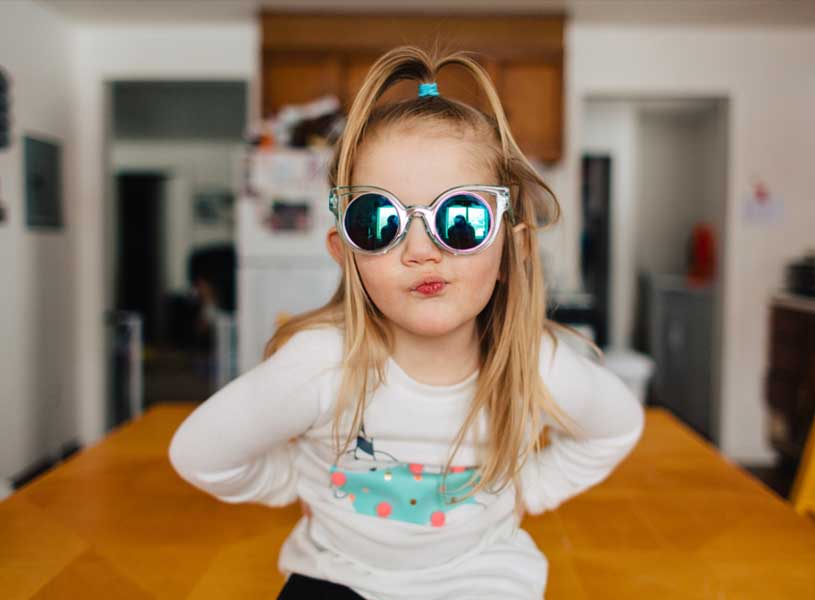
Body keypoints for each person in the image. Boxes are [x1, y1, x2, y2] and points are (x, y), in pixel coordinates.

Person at [168, 46, 644, 600]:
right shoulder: (319, 365)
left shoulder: (533, 364)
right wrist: (294, 480)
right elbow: (199, 453)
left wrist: (531, 489)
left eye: (460, 219)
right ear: (346, 253)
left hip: (482, 578)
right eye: (379, 220)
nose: (421, 250)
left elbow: (617, 427)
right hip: (339, 575)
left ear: (510, 252)